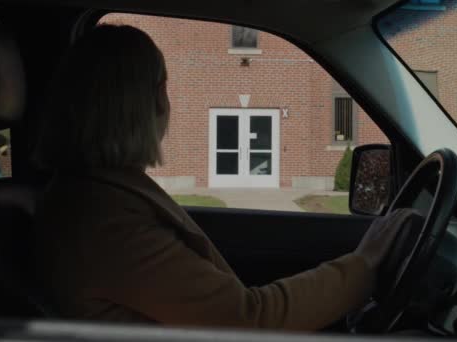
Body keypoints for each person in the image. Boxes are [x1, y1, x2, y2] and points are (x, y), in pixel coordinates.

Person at [33, 24, 420, 330]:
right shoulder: (103, 220)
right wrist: (365, 263)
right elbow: (247, 320)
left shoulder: (98, 201)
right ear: (149, 102)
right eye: (163, 87)